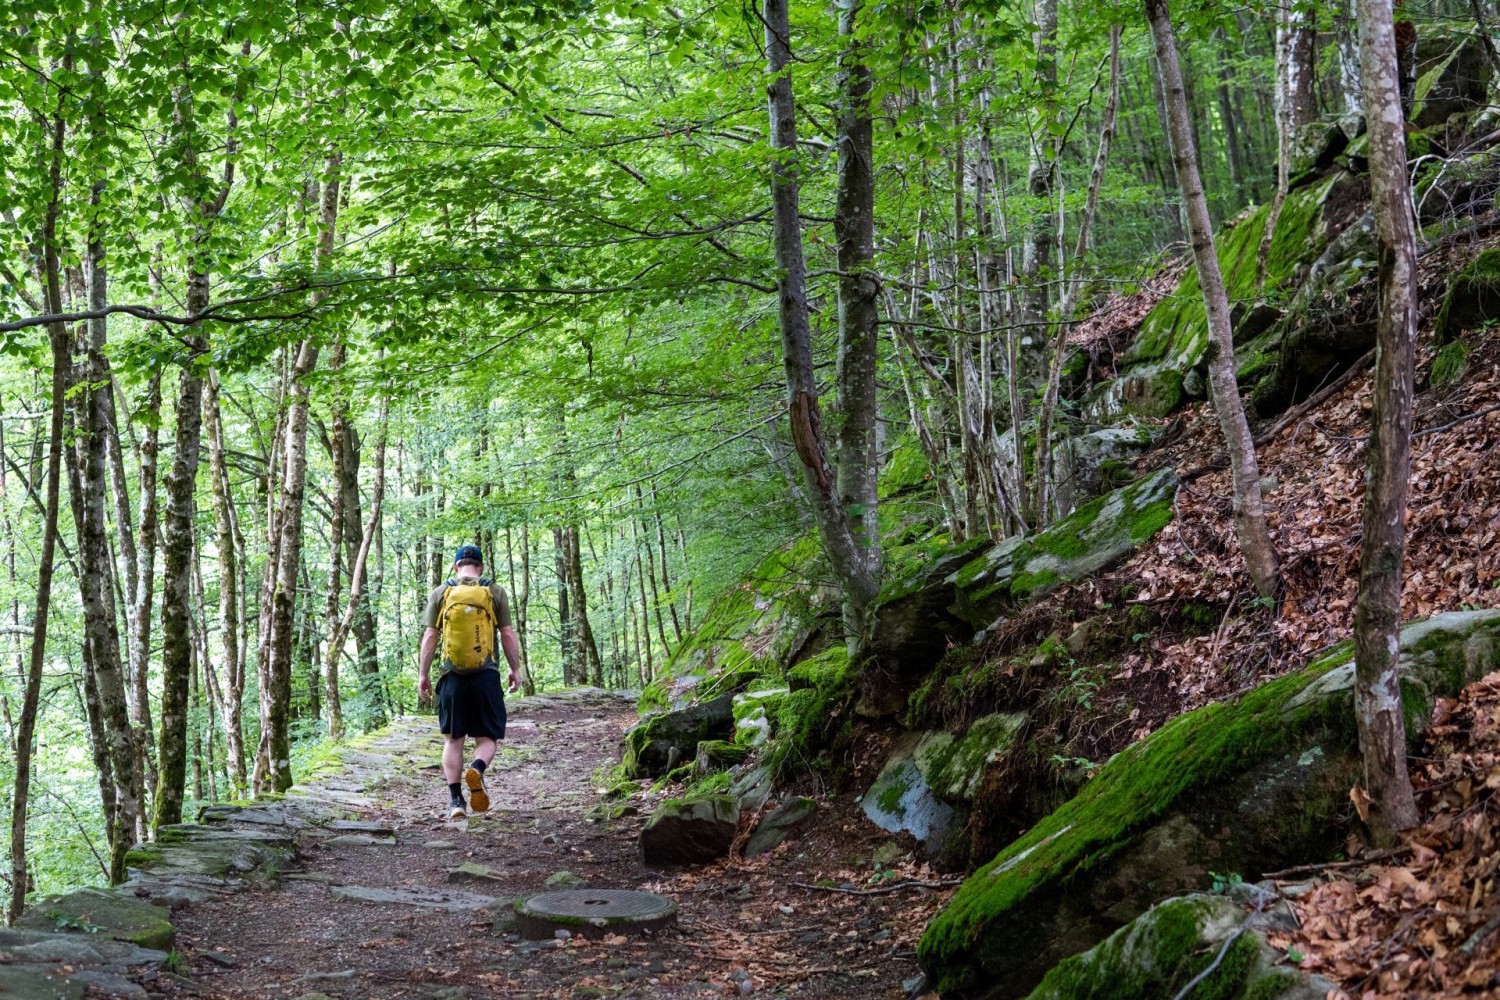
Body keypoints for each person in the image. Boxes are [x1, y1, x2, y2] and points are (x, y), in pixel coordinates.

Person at [418, 544, 522, 820]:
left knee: (453, 740)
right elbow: (508, 635)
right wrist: (515, 669)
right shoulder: (494, 592)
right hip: (485, 675)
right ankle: (476, 767)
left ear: (455, 566)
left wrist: (424, 675)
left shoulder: (441, 593)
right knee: (487, 737)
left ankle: (455, 802)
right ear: (481, 567)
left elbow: (430, 637)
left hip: (452, 677)